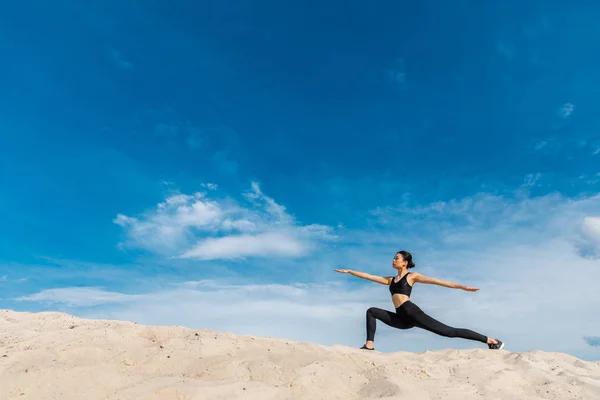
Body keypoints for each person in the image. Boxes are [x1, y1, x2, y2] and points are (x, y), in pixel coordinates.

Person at [335, 250, 504, 351]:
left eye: (397, 258)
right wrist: (350, 271)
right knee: (371, 311)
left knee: (449, 332)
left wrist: (462, 287)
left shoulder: (412, 276)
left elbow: (438, 281)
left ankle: (491, 341)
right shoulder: (390, 280)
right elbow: (370, 276)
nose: (393, 260)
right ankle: (369, 346)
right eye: (393, 258)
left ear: (405, 262)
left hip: (412, 312)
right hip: (402, 319)